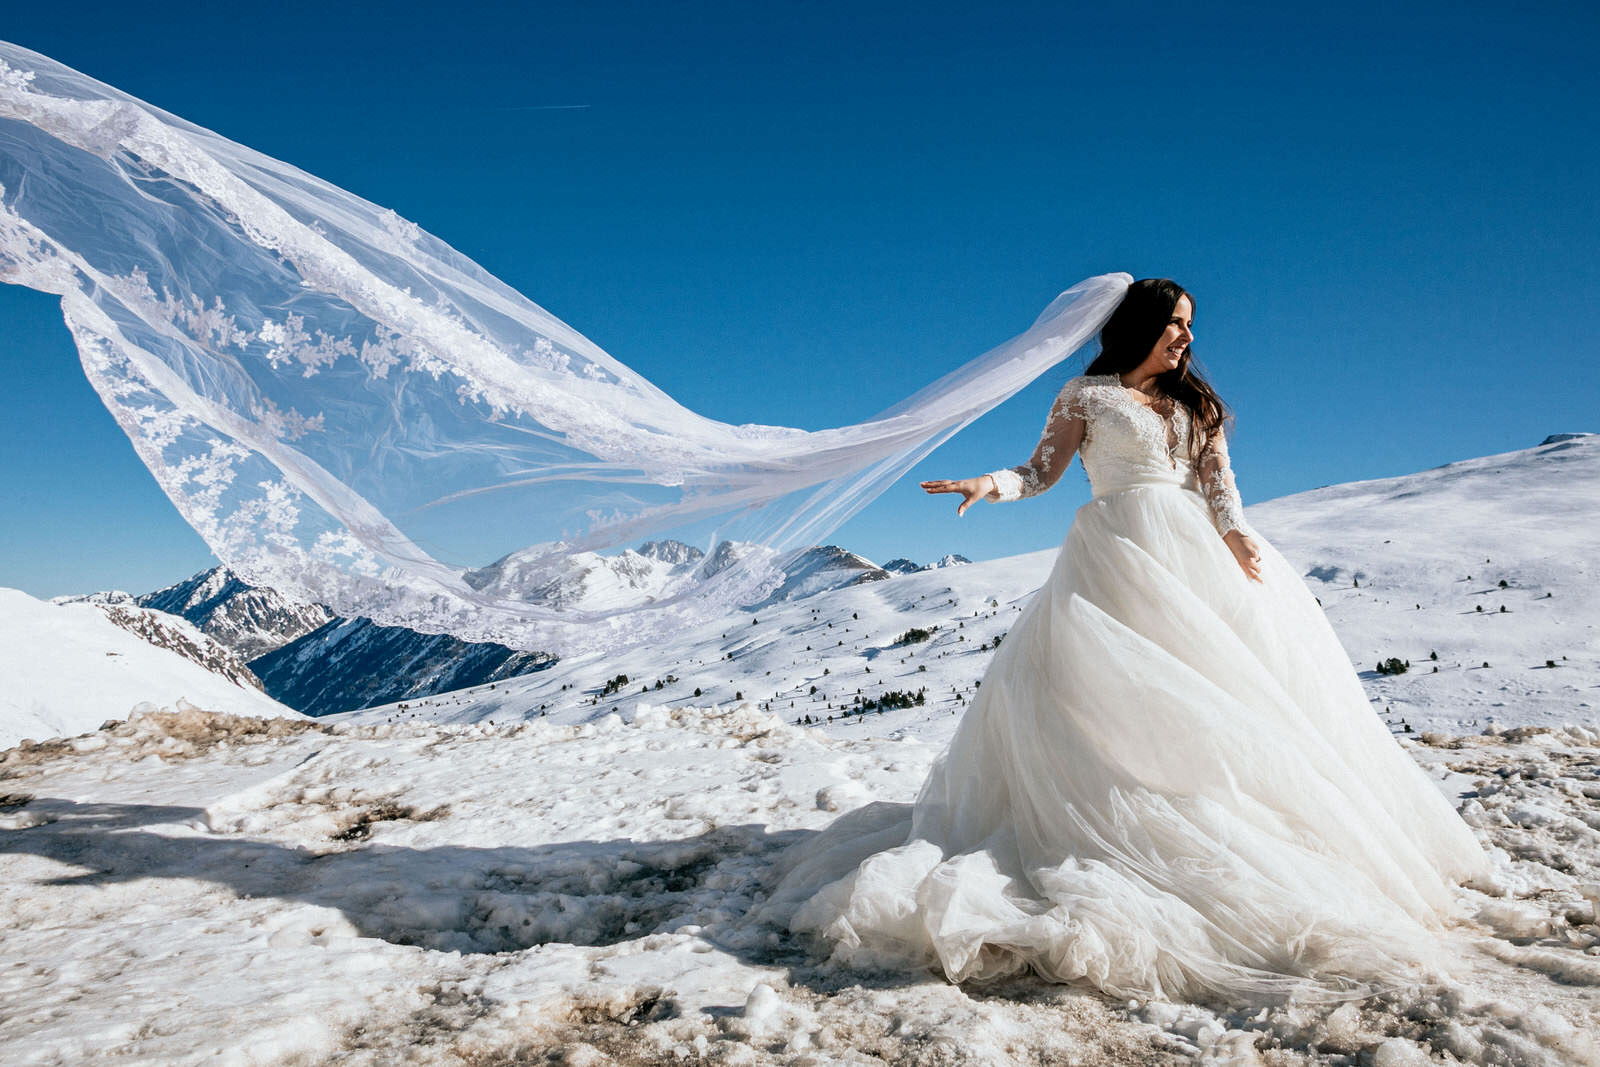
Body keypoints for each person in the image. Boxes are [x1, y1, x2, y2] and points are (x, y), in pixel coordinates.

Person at [765, 279, 1491, 1004]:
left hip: (1198, 560)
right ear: (1140, 324)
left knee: (1229, 700)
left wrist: (1234, 532)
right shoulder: (1086, 395)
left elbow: (1218, 483)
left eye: (1190, 326)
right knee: (1112, 699)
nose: (1187, 338)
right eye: (1175, 324)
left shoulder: (1196, 406)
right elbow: (1039, 472)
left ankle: (1231, 826)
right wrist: (988, 484)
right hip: (1114, 556)